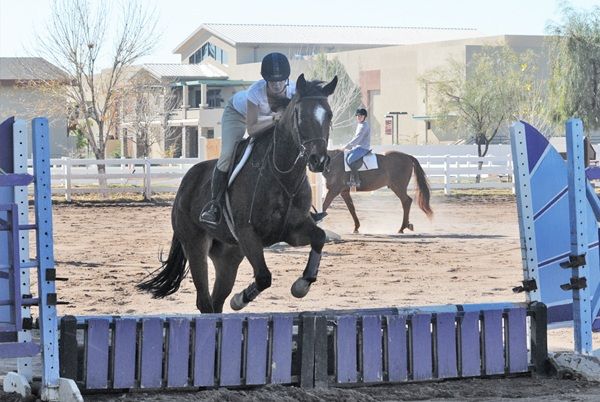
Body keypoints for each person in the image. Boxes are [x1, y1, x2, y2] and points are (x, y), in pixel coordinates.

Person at [199, 52, 296, 226]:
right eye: (273, 82)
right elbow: (251, 129)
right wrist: (275, 119)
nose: (277, 85)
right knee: (228, 155)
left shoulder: (294, 90)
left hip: (270, 120)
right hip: (238, 116)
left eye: (281, 80)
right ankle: (214, 205)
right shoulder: (255, 92)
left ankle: (300, 208)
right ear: (266, 80)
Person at [344, 108, 371, 188]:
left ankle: (356, 180)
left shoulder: (363, 126)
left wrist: (348, 146)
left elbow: (357, 138)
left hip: (363, 148)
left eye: (361, 116)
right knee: (347, 156)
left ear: (364, 116)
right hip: (358, 147)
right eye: (358, 116)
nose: (359, 117)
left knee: (350, 159)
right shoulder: (360, 125)